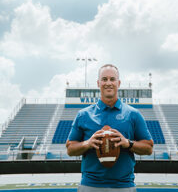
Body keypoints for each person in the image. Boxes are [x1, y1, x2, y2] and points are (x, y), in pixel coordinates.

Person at [66, 64, 154, 192]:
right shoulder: (83, 115)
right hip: (90, 185)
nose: (108, 83)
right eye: (104, 79)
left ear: (118, 83)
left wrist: (127, 143)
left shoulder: (133, 114)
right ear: (98, 83)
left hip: (124, 186)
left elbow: (149, 148)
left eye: (112, 79)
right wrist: (88, 143)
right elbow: (70, 149)